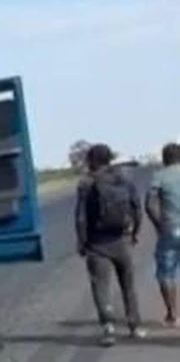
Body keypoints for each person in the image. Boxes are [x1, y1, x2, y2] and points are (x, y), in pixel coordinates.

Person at [75, 143, 145, 344]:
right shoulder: (123, 181)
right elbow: (137, 209)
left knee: (101, 287)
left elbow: (80, 218)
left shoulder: (86, 184)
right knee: (128, 285)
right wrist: (136, 233)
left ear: (91, 161)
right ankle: (135, 326)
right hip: (121, 240)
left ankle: (109, 328)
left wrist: (81, 242)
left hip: (97, 244)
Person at [145, 142, 180, 326]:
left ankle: (172, 314)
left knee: (166, 273)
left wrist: (160, 225)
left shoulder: (159, 176)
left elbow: (149, 204)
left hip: (171, 228)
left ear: (164, 158)